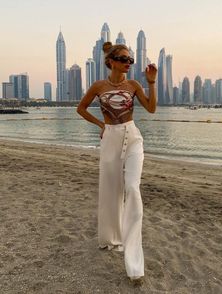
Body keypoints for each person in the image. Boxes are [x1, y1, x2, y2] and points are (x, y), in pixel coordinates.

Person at [77, 41, 157, 285]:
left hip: (133, 138)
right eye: (123, 59)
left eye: (130, 60)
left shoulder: (133, 85)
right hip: (110, 139)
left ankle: (134, 263)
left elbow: (151, 109)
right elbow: (80, 109)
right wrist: (101, 125)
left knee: (132, 188)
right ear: (111, 61)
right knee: (111, 193)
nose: (128, 63)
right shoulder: (98, 86)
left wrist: (151, 83)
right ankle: (112, 238)